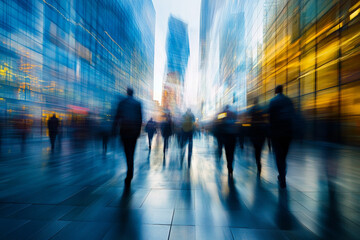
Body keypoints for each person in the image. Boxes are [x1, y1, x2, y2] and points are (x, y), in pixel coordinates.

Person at [113, 88, 142, 186]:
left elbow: (117, 117)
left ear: (127, 92)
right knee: (132, 152)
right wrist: (138, 132)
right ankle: (130, 173)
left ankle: (129, 172)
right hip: (133, 132)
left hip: (124, 131)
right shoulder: (138, 103)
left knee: (126, 152)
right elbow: (140, 119)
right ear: (133, 93)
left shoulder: (122, 102)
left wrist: (114, 130)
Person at [269, 85, 295, 188]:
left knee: (279, 156)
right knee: (284, 155)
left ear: (276, 91)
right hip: (288, 133)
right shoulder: (288, 101)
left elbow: (271, 118)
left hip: (277, 133)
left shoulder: (273, 101)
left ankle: (282, 175)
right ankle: (283, 172)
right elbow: (293, 115)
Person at [249, 98, 266, 176]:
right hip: (261, 132)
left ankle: (258, 162)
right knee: (259, 148)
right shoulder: (262, 109)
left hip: (254, 132)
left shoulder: (252, 109)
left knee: (256, 149)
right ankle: (259, 161)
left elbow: (248, 119)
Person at [220, 105, 237, 176]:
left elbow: (220, 124)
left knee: (227, 152)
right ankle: (231, 164)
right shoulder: (233, 113)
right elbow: (236, 122)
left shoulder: (223, 114)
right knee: (232, 152)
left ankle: (229, 165)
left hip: (226, 136)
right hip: (233, 136)